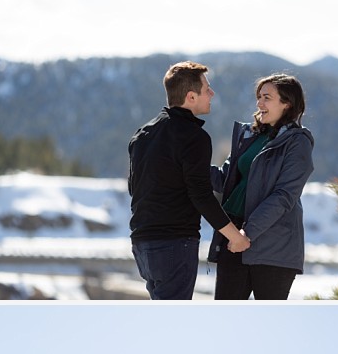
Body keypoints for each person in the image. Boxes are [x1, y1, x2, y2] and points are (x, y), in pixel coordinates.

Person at [128, 61, 250, 299]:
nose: (212, 93)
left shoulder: (142, 134)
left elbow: (135, 188)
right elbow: (201, 195)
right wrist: (236, 237)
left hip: (142, 244)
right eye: (207, 89)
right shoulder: (194, 137)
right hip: (174, 243)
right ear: (191, 97)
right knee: (174, 323)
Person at [208, 74, 314, 300]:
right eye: (259, 97)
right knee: (225, 320)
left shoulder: (298, 142)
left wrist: (248, 233)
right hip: (234, 235)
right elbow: (225, 180)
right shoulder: (250, 136)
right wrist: (189, 166)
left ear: (287, 104)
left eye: (267, 97)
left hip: (273, 246)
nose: (259, 103)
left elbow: (284, 196)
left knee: (268, 324)